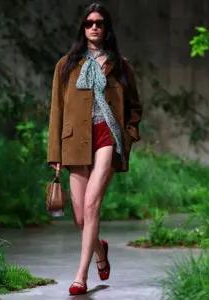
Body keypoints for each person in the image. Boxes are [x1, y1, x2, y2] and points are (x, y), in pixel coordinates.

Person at [46, 2, 142, 296]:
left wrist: (128, 135)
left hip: (107, 137)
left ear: (106, 27)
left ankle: (80, 277)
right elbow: (57, 110)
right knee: (79, 217)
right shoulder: (66, 65)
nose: (94, 27)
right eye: (89, 23)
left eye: (99, 22)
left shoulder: (121, 65)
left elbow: (135, 106)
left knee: (91, 206)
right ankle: (100, 251)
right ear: (83, 28)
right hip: (75, 141)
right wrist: (55, 154)